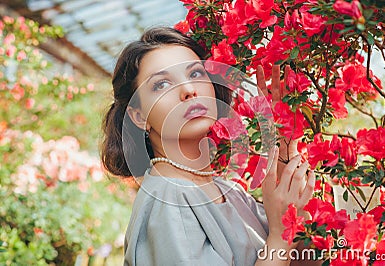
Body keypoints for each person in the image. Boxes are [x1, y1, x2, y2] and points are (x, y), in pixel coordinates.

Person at [101, 27, 318, 266]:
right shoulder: (168, 198)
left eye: (195, 74)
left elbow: (301, 260)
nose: (188, 90)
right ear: (139, 116)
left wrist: (286, 155)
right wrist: (280, 236)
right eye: (162, 84)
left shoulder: (228, 191)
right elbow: (280, 246)